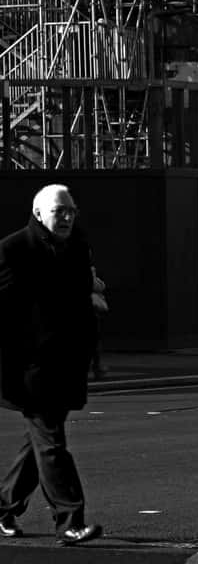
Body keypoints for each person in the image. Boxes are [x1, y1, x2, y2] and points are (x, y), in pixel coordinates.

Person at [0, 184, 103, 545]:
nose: (67, 217)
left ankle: (3, 506)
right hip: (29, 367)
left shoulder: (77, 246)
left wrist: (90, 296)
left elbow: (76, 294)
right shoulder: (13, 250)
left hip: (65, 363)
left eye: (71, 211)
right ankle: (70, 520)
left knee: (39, 443)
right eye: (60, 211)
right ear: (39, 213)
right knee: (51, 444)